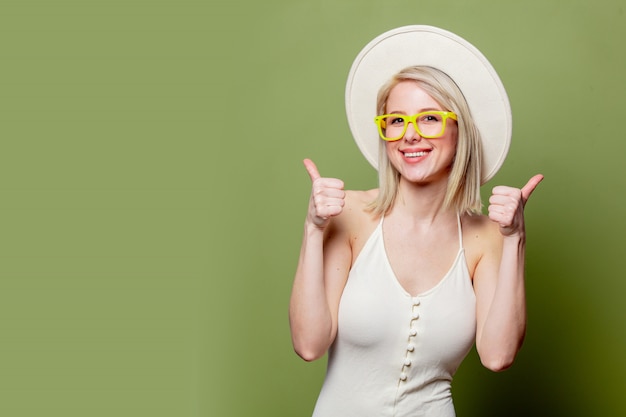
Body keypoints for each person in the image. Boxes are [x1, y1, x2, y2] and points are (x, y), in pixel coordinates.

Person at [289, 26, 543, 417]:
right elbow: (309, 344)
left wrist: (515, 240)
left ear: (460, 130)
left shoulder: (487, 238)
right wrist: (313, 229)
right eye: (395, 121)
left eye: (429, 118)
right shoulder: (349, 217)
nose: (409, 135)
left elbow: (498, 355)